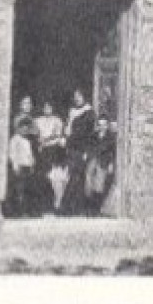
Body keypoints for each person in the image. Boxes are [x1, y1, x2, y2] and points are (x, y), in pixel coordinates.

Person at [61, 88, 95, 216]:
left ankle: (68, 207)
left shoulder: (89, 113)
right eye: (75, 96)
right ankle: (73, 208)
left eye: (79, 95)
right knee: (74, 176)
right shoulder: (72, 112)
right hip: (72, 148)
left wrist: (87, 150)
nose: (77, 98)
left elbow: (89, 134)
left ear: (84, 97)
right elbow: (67, 129)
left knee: (77, 177)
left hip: (81, 148)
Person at [33, 99, 65, 214]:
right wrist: (39, 142)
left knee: (53, 177)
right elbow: (35, 135)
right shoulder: (37, 120)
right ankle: (43, 205)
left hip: (53, 150)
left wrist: (47, 140)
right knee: (42, 177)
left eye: (49, 107)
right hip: (41, 151)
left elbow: (58, 135)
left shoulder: (57, 120)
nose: (47, 109)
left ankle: (55, 205)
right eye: (45, 107)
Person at [84, 114, 116, 216]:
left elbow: (113, 152)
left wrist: (111, 163)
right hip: (93, 159)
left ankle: (96, 209)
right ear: (98, 125)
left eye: (104, 124)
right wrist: (87, 154)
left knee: (99, 184)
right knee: (89, 182)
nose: (102, 126)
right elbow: (88, 146)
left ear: (107, 125)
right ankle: (89, 208)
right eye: (100, 124)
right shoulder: (94, 135)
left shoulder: (111, 137)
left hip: (103, 161)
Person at [7, 118, 35, 217]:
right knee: (19, 190)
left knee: (27, 189)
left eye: (27, 128)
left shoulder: (27, 141)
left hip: (27, 167)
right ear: (18, 128)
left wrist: (32, 164)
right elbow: (12, 154)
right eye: (23, 128)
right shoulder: (15, 139)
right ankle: (18, 211)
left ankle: (26, 211)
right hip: (19, 167)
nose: (25, 130)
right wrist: (15, 166)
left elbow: (30, 154)